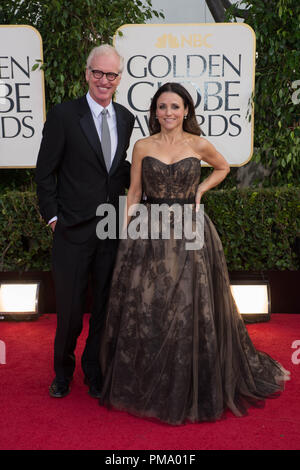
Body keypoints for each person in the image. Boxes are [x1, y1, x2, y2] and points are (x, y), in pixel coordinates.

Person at [99, 82, 290, 425]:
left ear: (186, 110)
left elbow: (223, 167)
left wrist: (200, 189)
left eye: (174, 106)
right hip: (150, 232)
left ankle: (191, 379)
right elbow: (135, 192)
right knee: (151, 303)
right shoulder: (143, 145)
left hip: (191, 231)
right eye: (162, 107)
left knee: (190, 304)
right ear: (154, 112)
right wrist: (124, 232)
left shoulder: (198, 143)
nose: (168, 113)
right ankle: (151, 379)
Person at [36, 44, 135, 399]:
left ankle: (93, 370)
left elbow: (117, 170)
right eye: (98, 72)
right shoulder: (64, 115)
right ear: (87, 73)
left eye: (111, 75)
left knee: (104, 309)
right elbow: (45, 173)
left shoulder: (125, 118)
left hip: (110, 229)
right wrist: (53, 219)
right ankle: (62, 373)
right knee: (71, 312)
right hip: (72, 231)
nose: (104, 80)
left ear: (119, 79)